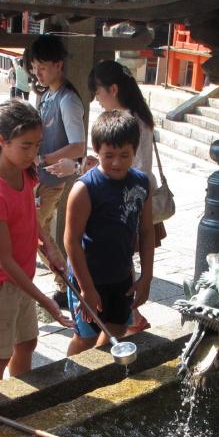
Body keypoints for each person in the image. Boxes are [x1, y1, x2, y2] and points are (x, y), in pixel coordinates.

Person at [0, 100, 73, 381]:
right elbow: (4, 260)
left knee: (27, 343)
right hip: (2, 287)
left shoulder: (25, 172)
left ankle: (20, 399)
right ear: (1, 141)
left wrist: (51, 250)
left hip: (24, 279)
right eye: (25, 146)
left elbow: (33, 218)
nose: (33, 153)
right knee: (0, 355)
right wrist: (46, 301)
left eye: (37, 145)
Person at [64, 110, 154, 357]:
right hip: (88, 277)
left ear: (135, 151)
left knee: (116, 328)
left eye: (125, 155)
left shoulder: (141, 182)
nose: (117, 162)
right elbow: (71, 241)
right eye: (109, 155)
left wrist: (146, 276)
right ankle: (69, 377)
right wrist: (86, 288)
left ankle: (97, 375)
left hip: (121, 276)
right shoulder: (85, 189)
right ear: (96, 150)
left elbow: (147, 231)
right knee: (85, 337)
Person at [87, 59, 165, 334]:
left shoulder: (129, 121)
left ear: (113, 89)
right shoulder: (138, 116)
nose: (97, 99)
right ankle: (130, 314)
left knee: (122, 258)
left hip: (128, 201)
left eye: (98, 93)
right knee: (123, 259)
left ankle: (130, 314)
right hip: (134, 198)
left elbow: (137, 168)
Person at [27, 35, 87, 309]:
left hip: (53, 179)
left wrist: (43, 158)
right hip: (42, 178)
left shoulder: (67, 100)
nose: (36, 72)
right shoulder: (48, 94)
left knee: (35, 231)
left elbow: (78, 146)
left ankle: (67, 284)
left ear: (58, 65)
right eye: (34, 67)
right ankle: (65, 282)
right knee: (39, 231)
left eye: (42, 67)